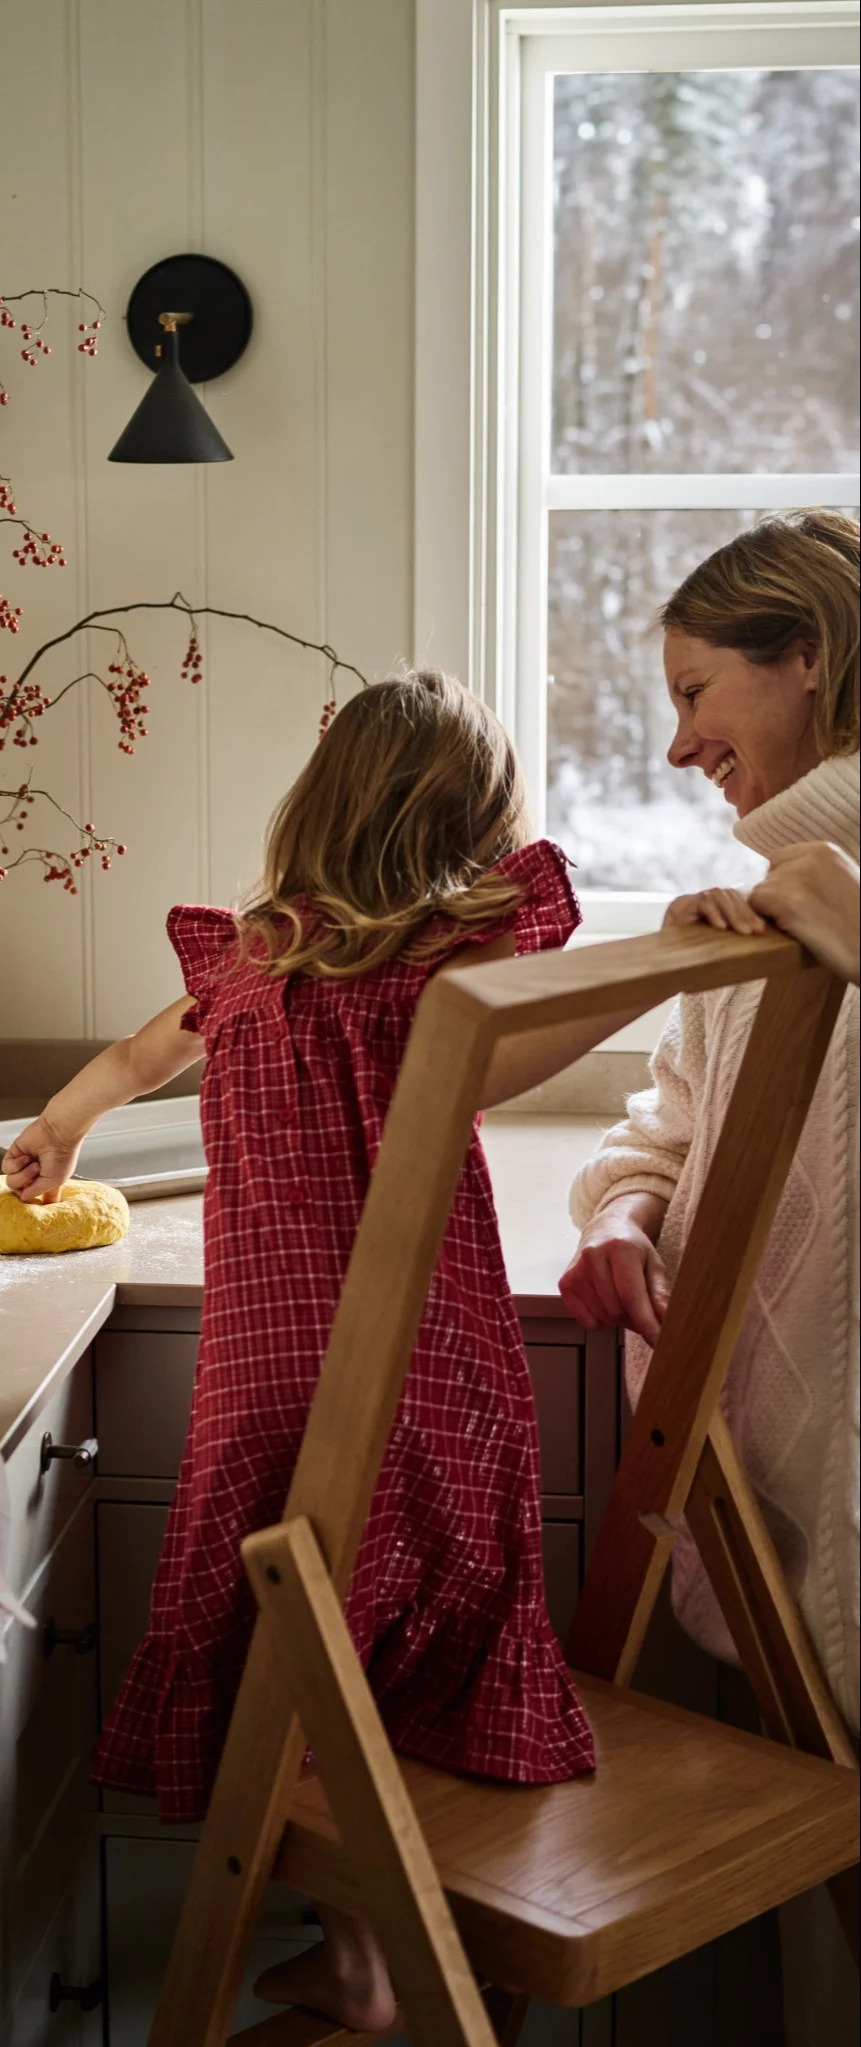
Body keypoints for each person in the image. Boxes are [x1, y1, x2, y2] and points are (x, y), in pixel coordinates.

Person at [3, 672, 603, 2031]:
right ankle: (416, 1936)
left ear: (321, 803)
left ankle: (356, 1951)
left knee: (292, 1658)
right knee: (407, 1647)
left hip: (271, 1382)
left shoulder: (252, 956)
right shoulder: (456, 963)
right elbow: (543, 1037)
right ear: (470, 821)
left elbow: (139, 1054)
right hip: (427, 1363)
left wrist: (60, 1125)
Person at [561, 510, 859, 2046]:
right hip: (772, 1494)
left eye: (696, 694)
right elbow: (661, 1126)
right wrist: (621, 1219)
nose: (680, 745)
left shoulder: (826, 885)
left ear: (803, 656)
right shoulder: (759, 895)